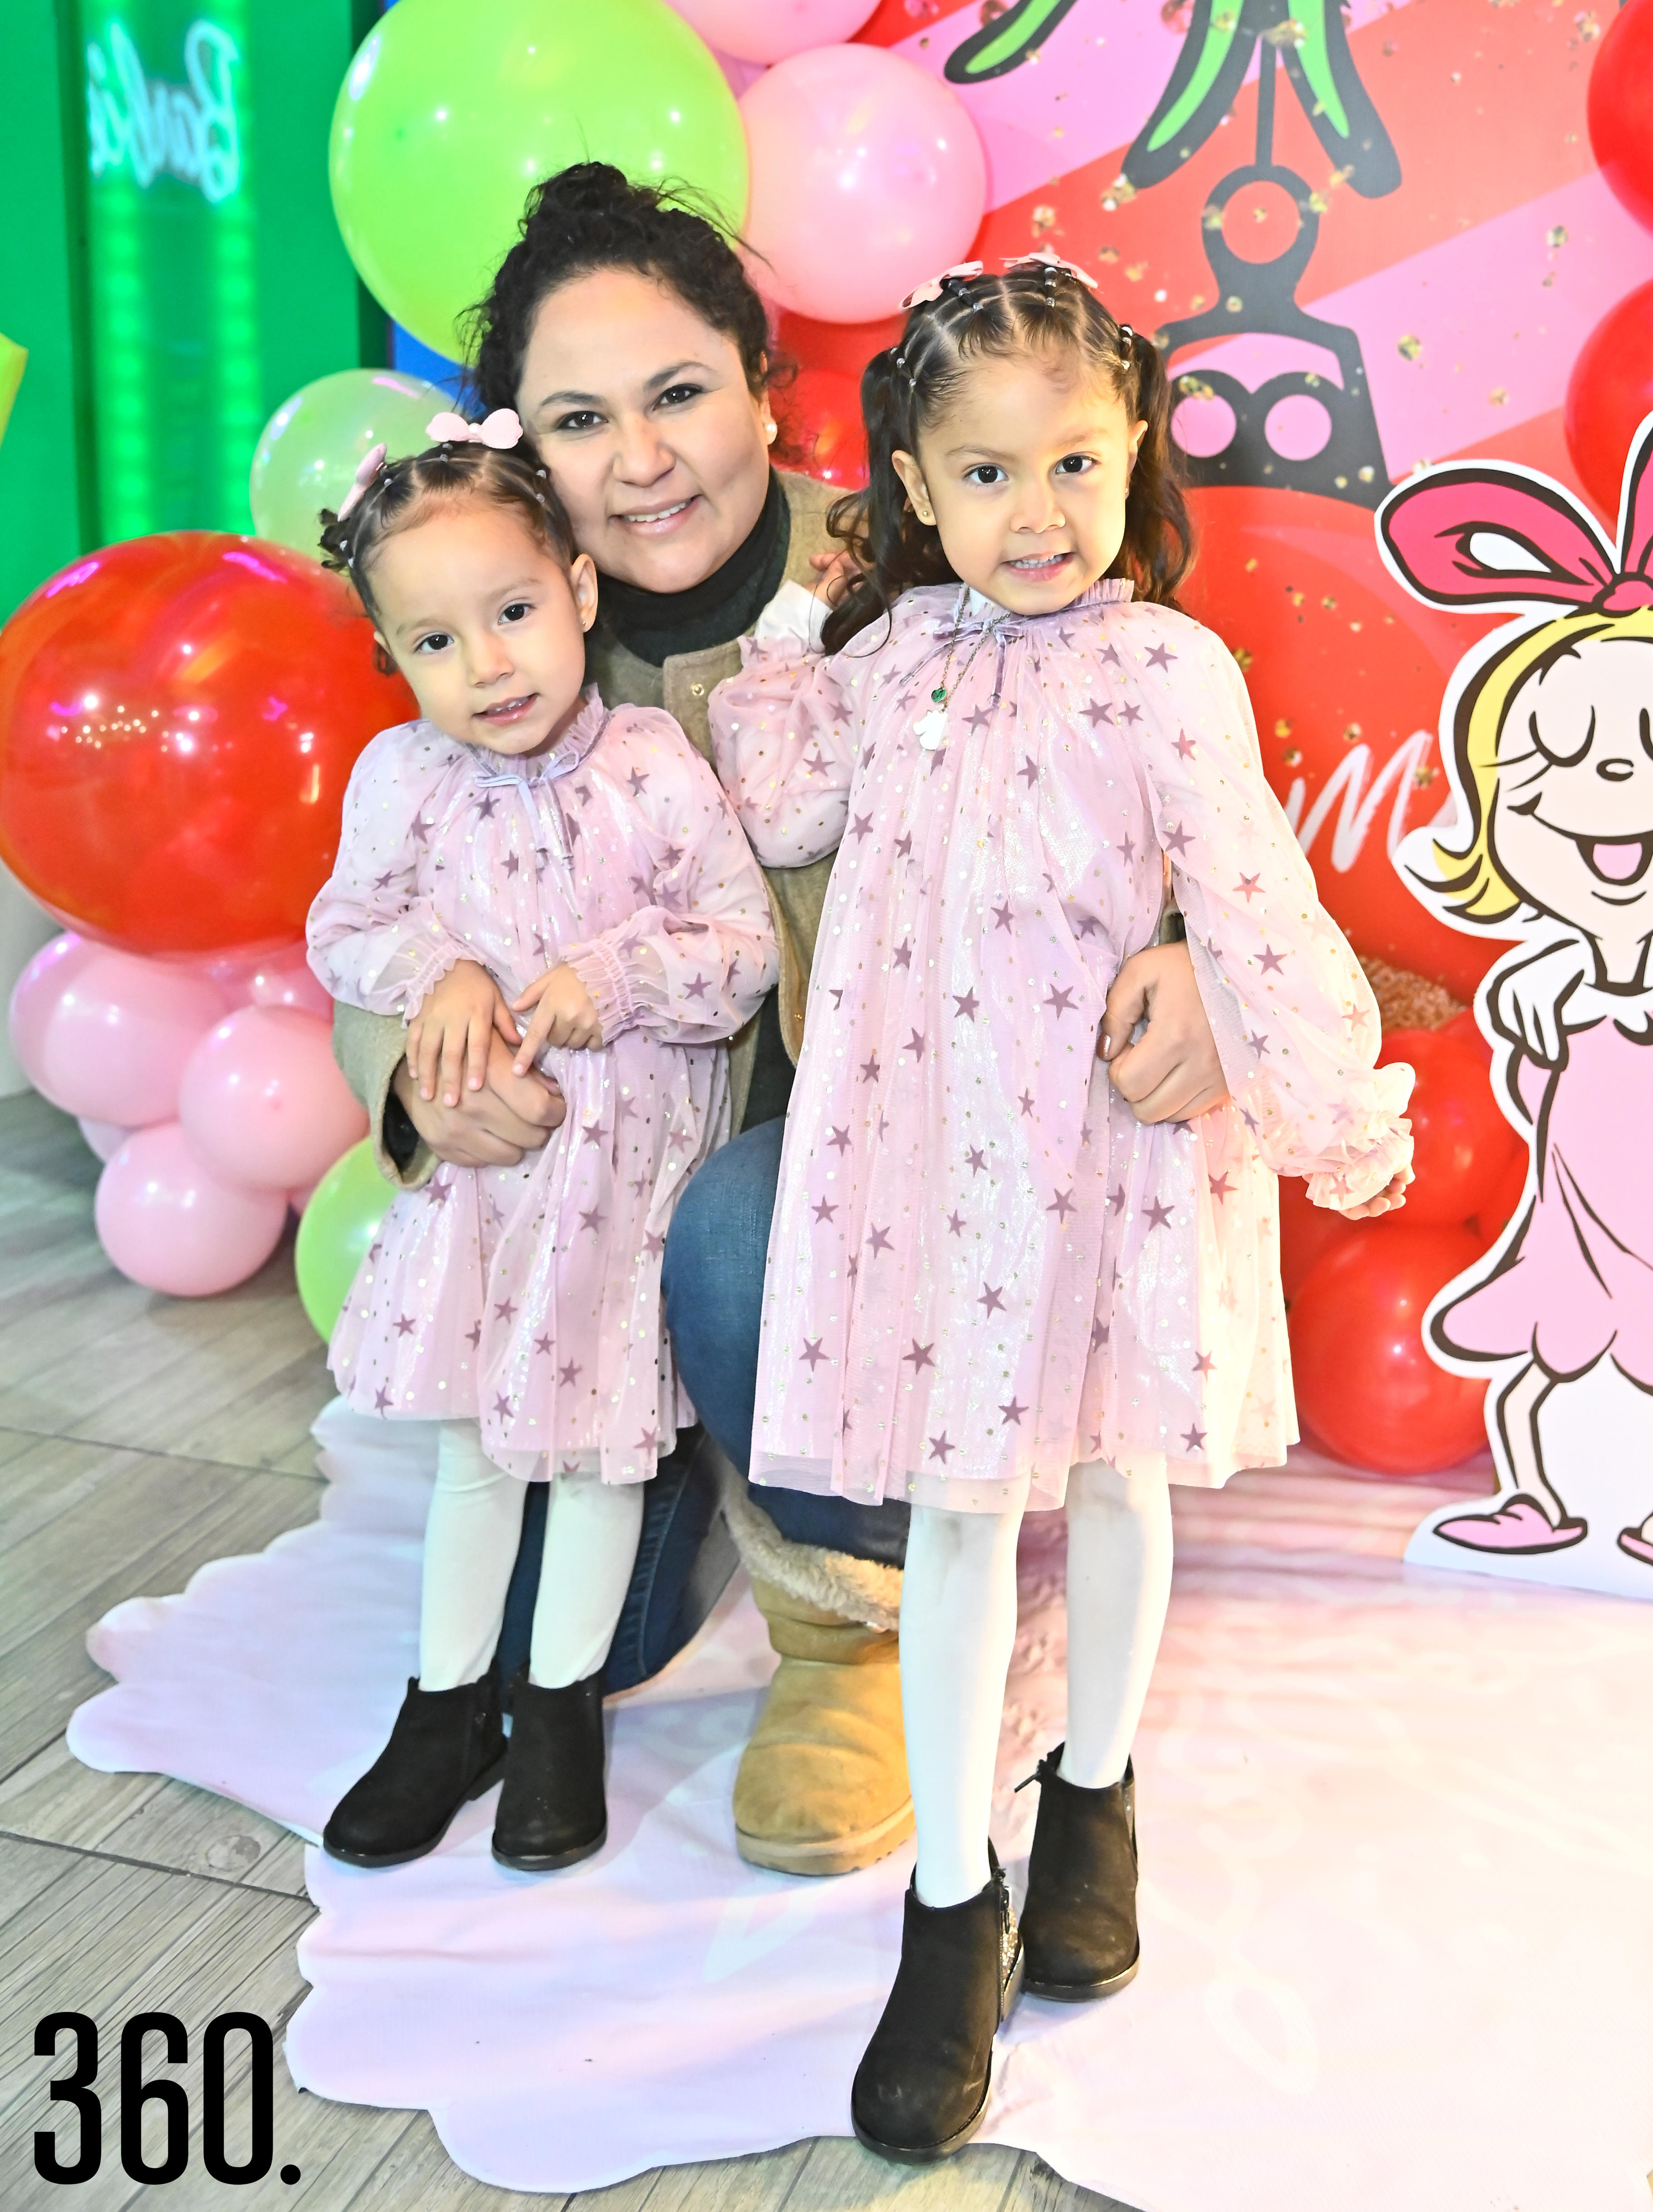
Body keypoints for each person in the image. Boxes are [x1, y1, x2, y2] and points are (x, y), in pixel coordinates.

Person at [331, 164, 1234, 1879]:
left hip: (857, 1200)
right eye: (583, 419)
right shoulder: (490, 630)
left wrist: (1189, 950)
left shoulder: (926, 552)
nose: (644, 458)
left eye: (680, 393)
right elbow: (377, 918)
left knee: (748, 1228)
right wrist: (418, 1078)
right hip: (580, 1215)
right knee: (554, 1619)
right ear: (523, 446)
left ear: (767, 386)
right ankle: (581, 1624)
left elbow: (1147, 749)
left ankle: (847, 1614)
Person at [710, 255, 1413, 2160]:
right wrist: (797, 613)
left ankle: (1091, 1792)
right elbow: (778, 802)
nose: (1039, 515)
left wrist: (1332, 1107)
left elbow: (1250, 889)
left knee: (1112, 1478)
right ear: (920, 489)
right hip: (927, 1173)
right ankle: (951, 1904)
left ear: (1129, 463)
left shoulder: (1168, 666)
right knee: (955, 1513)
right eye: (989, 474)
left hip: (1107, 1155)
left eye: (1075, 466)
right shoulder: (892, 661)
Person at [308, 414, 775, 1872]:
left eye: (512, 613)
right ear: (395, 656)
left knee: (595, 1466)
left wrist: (615, 975)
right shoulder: (402, 780)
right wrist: (433, 975)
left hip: (622, 1192)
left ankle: (557, 1708)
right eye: (438, 643)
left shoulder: (649, 762)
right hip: (494, 1194)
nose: (489, 666)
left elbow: (744, 945)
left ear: (578, 590)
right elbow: (346, 925)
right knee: (475, 1456)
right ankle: (445, 1706)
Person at [1377, 370, 1653, 1583]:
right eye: (1561, 759)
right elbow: (1544, 1079)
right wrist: (1548, 1009)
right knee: (1542, 1368)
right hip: (1569, 1228)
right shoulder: (1548, 993)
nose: (1612, 789)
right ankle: (1537, 1508)